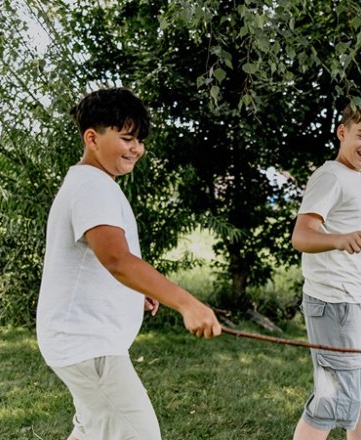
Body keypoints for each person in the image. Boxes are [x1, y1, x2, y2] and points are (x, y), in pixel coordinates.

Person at [36, 87, 222, 440]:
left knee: (95, 430)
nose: (136, 148)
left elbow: (104, 260)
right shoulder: (92, 185)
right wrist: (187, 303)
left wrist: (132, 292)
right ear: (92, 138)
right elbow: (117, 259)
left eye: (139, 140)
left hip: (83, 340)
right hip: (86, 343)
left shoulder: (94, 182)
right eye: (126, 138)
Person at [290, 98, 361, 440]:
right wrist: (339, 239)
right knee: (332, 399)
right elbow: (301, 236)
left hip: (356, 301)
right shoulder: (331, 175)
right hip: (333, 304)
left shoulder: (352, 177)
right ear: (342, 132)